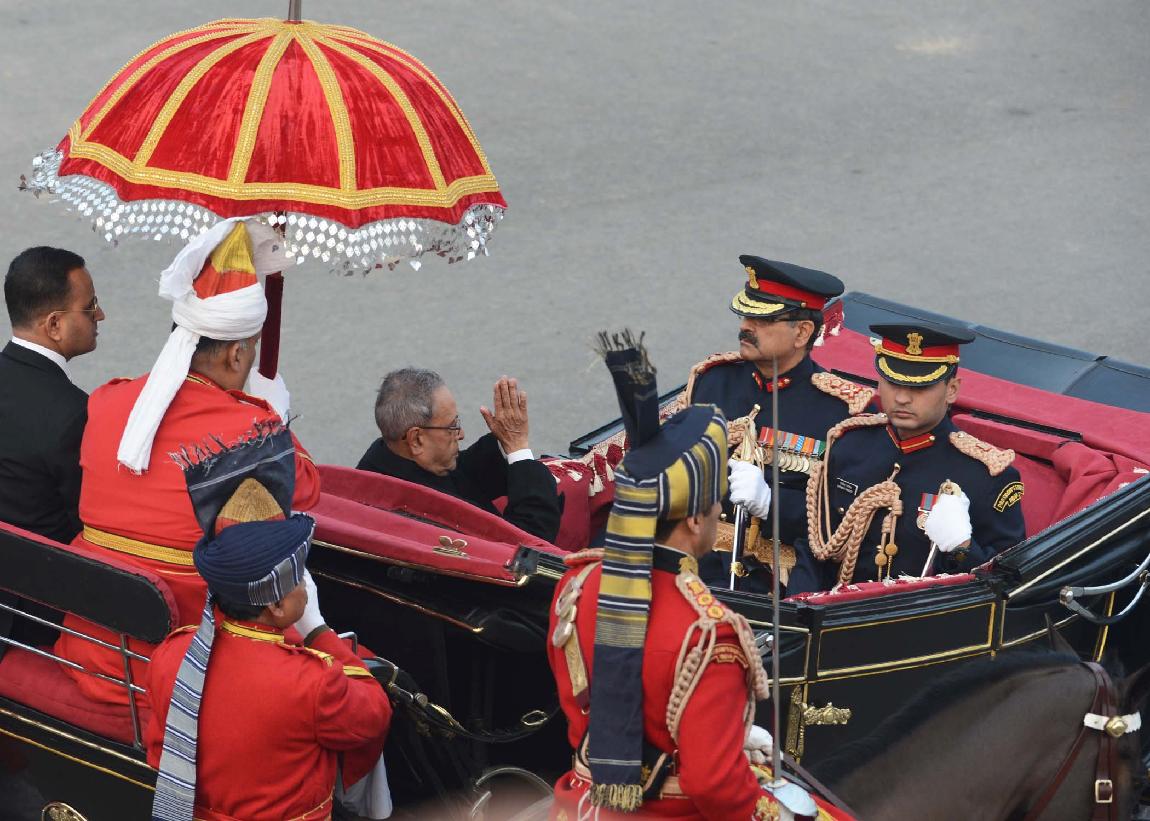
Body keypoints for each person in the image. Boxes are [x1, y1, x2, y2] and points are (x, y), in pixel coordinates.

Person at [547, 332, 833, 820]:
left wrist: (724, 731)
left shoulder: (575, 585)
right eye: (716, 505)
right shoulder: (710, 635)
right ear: (697, 521)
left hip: (581, 800)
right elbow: (715, 787)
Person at [55, 219, 320, 706]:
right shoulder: (251, 430)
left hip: (89, 644)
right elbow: (304, 490)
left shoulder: (107, 400)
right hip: (180, 664)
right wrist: (274, 412)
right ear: (236, 354)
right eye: (251, 351)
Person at [146, 427, 390, 821]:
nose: (305, 587)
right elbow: (373, 715)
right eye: (299, 579)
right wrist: (318, 630)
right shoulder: (313, 683)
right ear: (276, 605)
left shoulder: (172, 654)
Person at [787, 322, 1027, 595]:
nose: (901, 398)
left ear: (951, 390)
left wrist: (962, 548)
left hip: (922, 616)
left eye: (920, 388)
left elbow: (1011, 583)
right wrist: (797, 606)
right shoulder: (849, 444)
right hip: (832, 609)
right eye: (892, 383)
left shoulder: (984, 475)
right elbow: (814, 544)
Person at [687, 255, 873, 593]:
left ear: (802, 332)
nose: (745, 327)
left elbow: (844, 523)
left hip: (772, 573)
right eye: (745, 315)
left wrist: (771, 503)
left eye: (762, 320)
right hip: (694, 553)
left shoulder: (841, 410)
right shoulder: (714, 380)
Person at [0, 246, 105, 658]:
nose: (100, 315)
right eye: (90, 306)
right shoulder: (73, 413)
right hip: (34, 619)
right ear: (55, 324)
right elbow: (88, 522)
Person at [358, 368, 562, 543]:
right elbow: (531, 544)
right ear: (416, 439)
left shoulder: (382, 460)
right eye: (452, 426)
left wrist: (504, 440)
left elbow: (456, 476)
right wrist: (518, 449)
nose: (461, 434)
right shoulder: (433, 511)